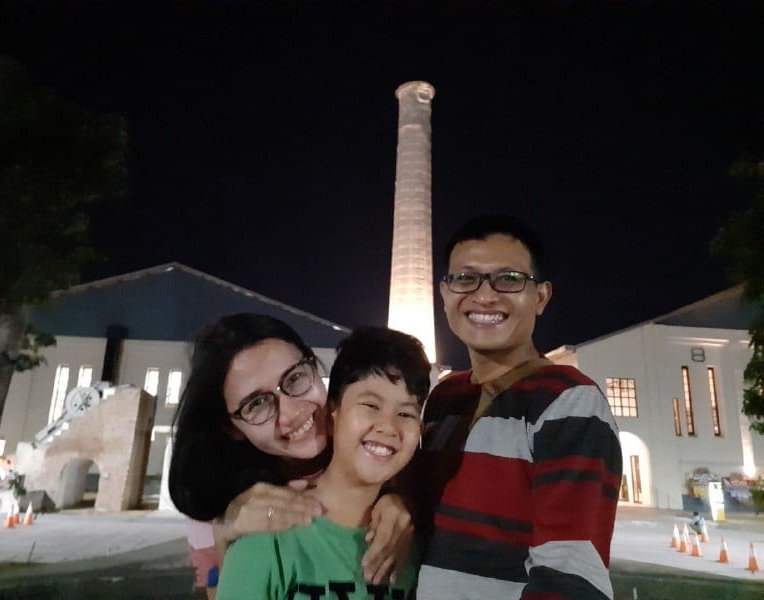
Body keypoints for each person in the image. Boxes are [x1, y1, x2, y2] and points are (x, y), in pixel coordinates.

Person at [415, 215, 623, 599]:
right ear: (444, 295)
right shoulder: (445, 397)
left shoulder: (568, 400)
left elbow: (569, 575)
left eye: (508, 279)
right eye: (466, 278)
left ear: (540, 297)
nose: (484, 296)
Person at [168, 314, 413, 586]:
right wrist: (224, 536)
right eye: (257, 403)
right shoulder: (216, 498)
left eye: (295, 378)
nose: (291, 413)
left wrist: (394, 498)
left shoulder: (374, 443)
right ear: (232, 429)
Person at [217, 326, 430, 599]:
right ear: (331, 414)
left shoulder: (413, 544)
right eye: (371, 406)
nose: (388, 427)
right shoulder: (268, 537)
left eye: (406, 414)